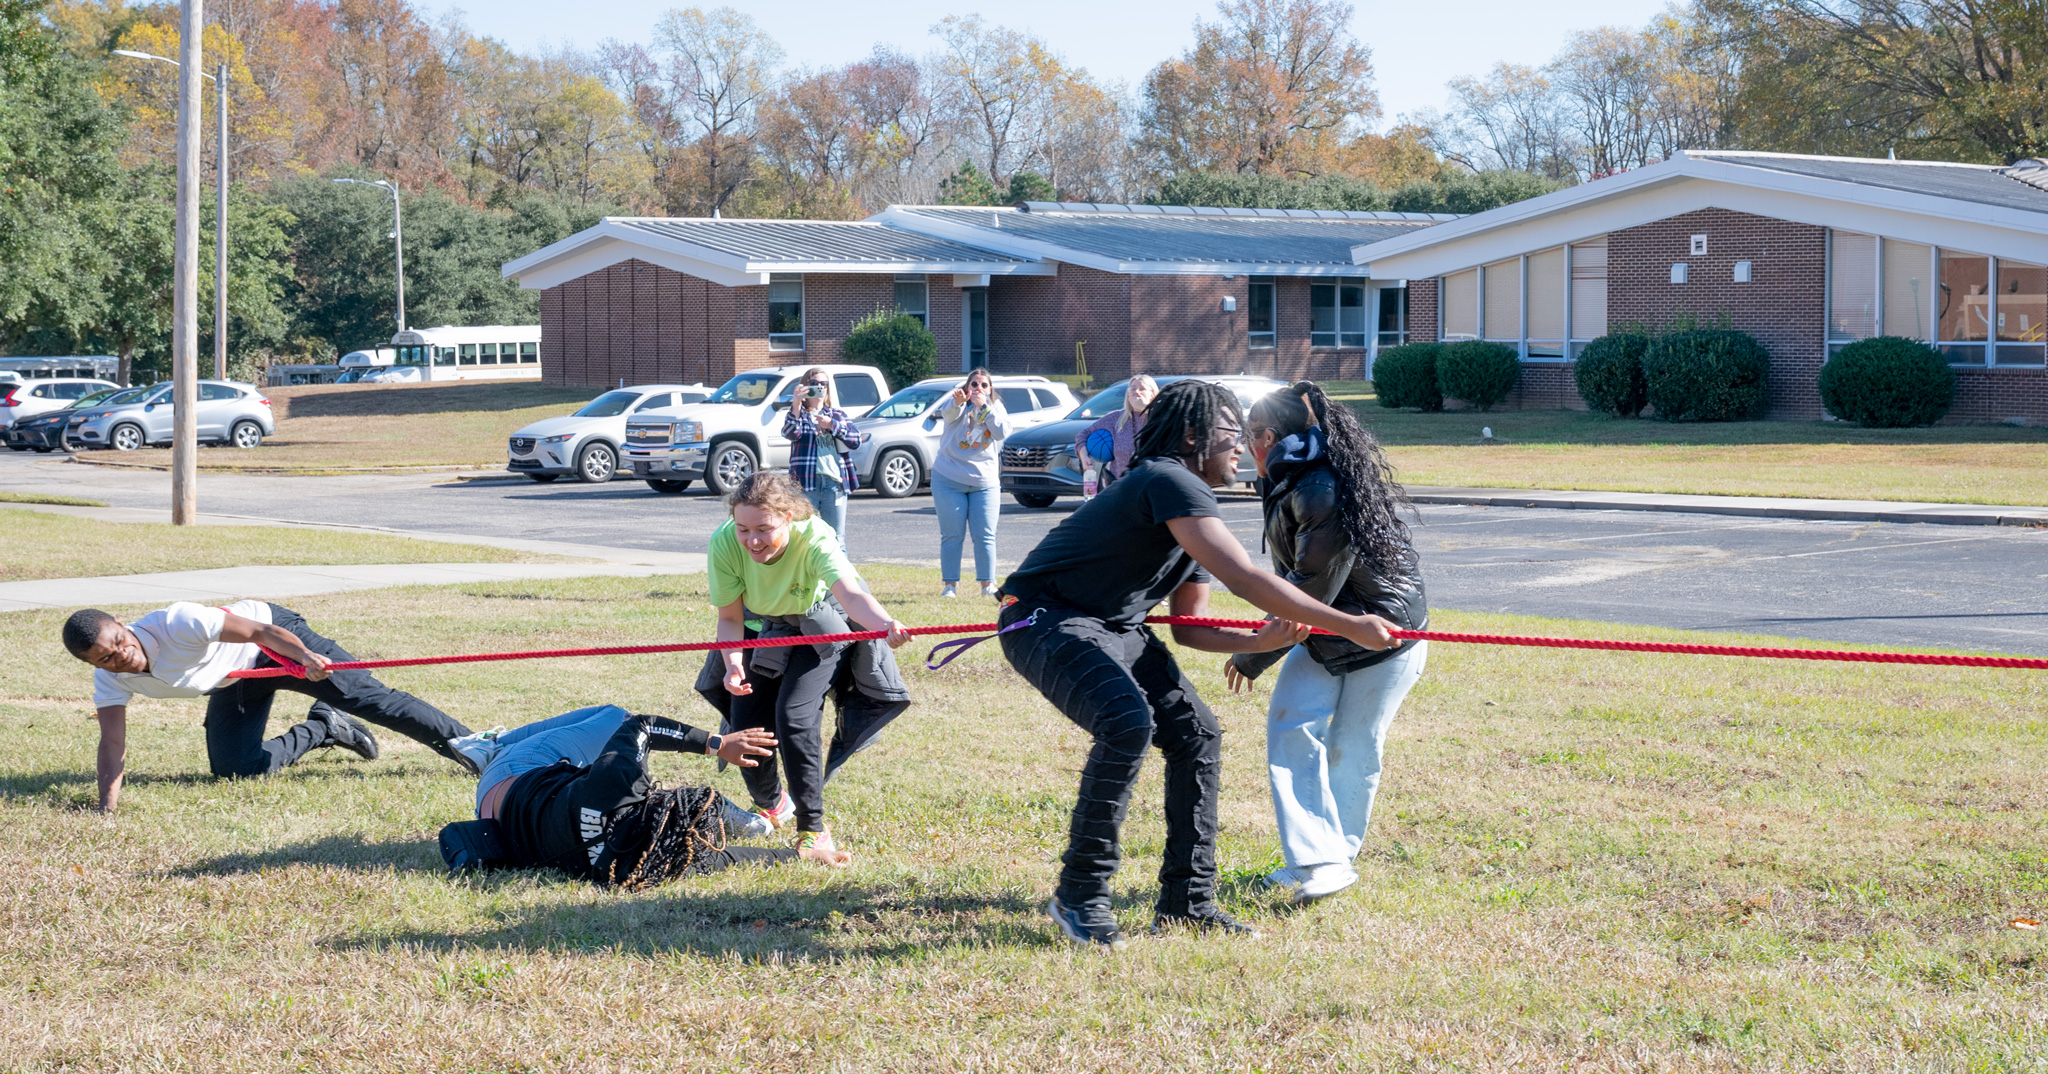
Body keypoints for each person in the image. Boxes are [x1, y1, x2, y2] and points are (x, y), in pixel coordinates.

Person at [997, 379, 1401, 950]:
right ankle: (1079, 895)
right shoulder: (1168, 479)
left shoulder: (1184, 504)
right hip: (1041, 618)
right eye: (1231, 434)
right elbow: (1247, 577)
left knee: (1196, 733)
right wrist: (1347, 623)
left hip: (1111, 628)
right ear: (1193, 436)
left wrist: (1258, 643)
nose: (1241, 447)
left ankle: (1187, 904)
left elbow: (1188, 627)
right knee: (1128, 722)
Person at [1223, 382, 1430, 906]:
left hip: (1385, 639)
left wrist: (1253, 653)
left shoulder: (1318, 488)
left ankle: (1333, 860)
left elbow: (1311, 588)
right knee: (1290, 724)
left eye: (1249, 436)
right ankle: (1314, 860)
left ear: (1268, 436)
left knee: (1353, 746)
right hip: (1328, 634)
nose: (1246, 448)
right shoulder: (1291, 477)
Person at [62, 601, 477, 813]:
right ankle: (325, 728)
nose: (122, 656)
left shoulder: (177, 622)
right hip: (234, 680)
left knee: (369, 699)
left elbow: (261, 630)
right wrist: (106, 807)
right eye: (107, 658)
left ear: (120, 623)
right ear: (92, 664)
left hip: (276, 643)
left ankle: (476, 749)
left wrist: (303, 659)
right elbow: (112, 741)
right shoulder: (111, 679)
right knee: (234, 768)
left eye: (119, 641)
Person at [692, 471, 914, 867]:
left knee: (793, 717)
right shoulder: (726, 542)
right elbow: (730, 618)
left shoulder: (815, 538)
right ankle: (773, 805)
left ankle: (813, 829)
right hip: (763, 629)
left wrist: (884, 624)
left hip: (817, 627)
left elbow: (850, 594)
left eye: (764, 528)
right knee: (746, 726)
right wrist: (733, 666)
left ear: (790, 517)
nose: (753, 540)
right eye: (744, 529)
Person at [439, 704, 800, 886]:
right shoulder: (632, 866)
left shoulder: (614, 786)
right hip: (496, 816)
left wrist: (717, 744)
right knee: (610, 722)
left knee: (613, 715)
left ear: (655, 800)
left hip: (513, 773)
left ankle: (493, 746)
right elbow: (722, 859)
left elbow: (640, 724)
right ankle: (755, 824)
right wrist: (800, 856)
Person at [929, 367, 1012, 598]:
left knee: (985, 534)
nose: (978, 388)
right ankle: (950, 585)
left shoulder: (995, 408)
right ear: (967, 387)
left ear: (990, 389)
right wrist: (959, 402)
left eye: (984, 385)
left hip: (984, 483)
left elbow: (1001, 431)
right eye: (974, 384)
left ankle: (988, 585)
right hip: (948, 479)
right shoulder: (957, 404)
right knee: (952, 534)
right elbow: (948, 414)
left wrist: (983, 406)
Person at [781, 367, 866, 548]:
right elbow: (790, 433)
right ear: (805, 386)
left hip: (834, 483)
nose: (819, 387)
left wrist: (832, 425)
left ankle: (841, 576)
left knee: (836, 540)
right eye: (814, 383)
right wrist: (796, 404)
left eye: (823, 384)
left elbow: (856, 440)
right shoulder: (799, 415)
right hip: (805, 483)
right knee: (802, 538)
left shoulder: (837, 415)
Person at [1074, 374, 1157, 488]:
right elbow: (1083, 434)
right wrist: (1084, 456)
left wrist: (1146, 410)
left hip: (1151, 488)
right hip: (1120, 489)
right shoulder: (1115, 418)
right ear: (1128, 395)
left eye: (1141, 388)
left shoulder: (1160, 419)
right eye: (1132, 388)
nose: (1136, 392)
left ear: (1152, 394)